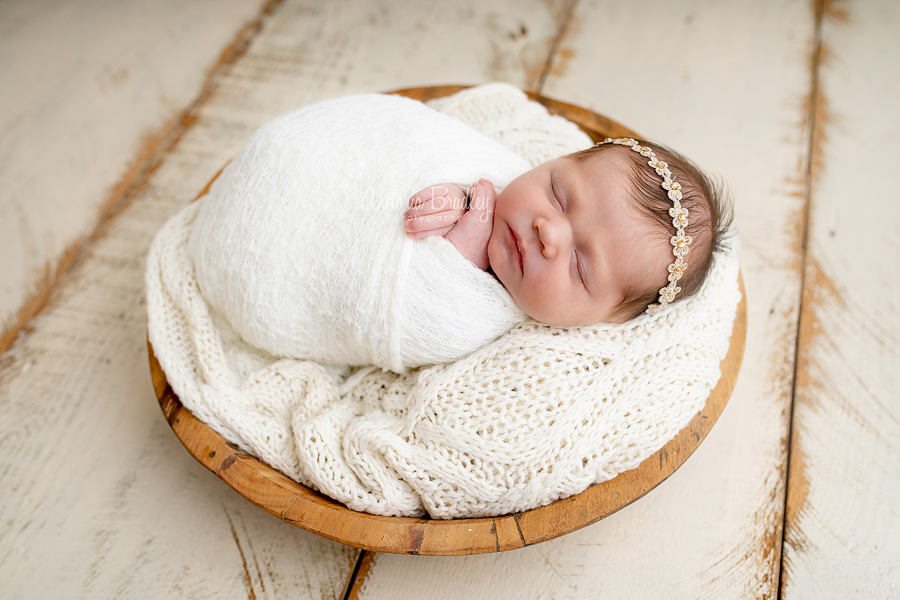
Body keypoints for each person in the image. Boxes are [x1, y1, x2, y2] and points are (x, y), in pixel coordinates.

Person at [403, 137, 731, 326]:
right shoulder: (490, 173)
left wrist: (458, 263)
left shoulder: (531, 360)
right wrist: (455, 196)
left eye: (579, 266)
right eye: (558, 197)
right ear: (554, 160)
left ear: (609, 319)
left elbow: (417, 325)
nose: (549, 234)